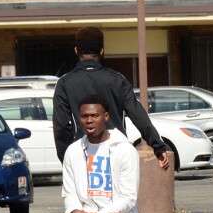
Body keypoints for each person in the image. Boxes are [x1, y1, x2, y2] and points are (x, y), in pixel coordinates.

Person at [52, 27, 169, 170]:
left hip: (83, 157)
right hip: (116, 153)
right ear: (101, 51)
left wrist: (67, 158)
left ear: (76, 50)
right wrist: (158, 146)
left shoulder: (64, 83)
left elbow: (61, 126)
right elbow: (137, 114)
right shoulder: (118, 80)